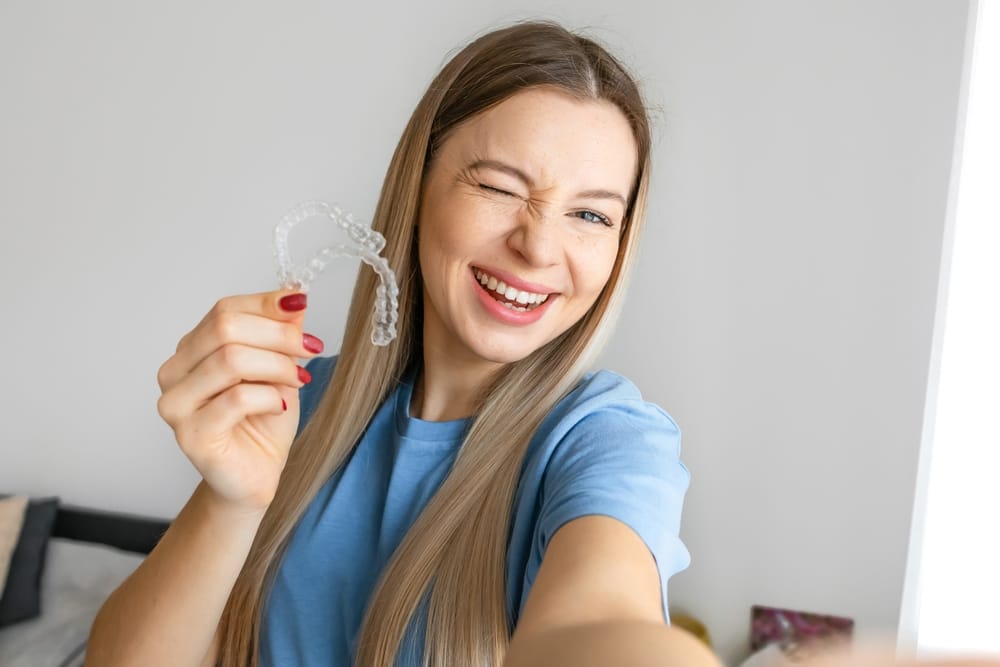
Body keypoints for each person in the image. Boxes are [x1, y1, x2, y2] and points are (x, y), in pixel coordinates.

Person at [86, 20, 1000, 667]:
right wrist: (233, 497)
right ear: (419, 186)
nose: (538, 245)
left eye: (590, 213)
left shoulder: (605, 438)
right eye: (499, 186)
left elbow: (591, 624)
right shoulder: (296, 402)